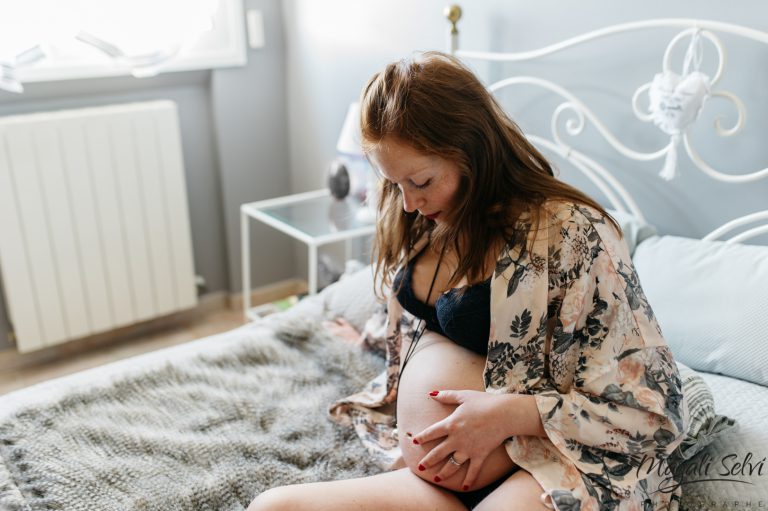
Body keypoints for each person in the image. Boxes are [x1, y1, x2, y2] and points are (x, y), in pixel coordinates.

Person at [249, 51, 686, 511]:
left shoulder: (573, 235)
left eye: (420, 180)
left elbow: (657, 414)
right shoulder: (420, 214)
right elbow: (424, 324)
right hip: (434, 481)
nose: (409, 203)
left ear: (471, 150)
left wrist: (511, 414)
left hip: (549, 463)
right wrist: (371, 340)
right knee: (272, 507)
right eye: (394, 183)